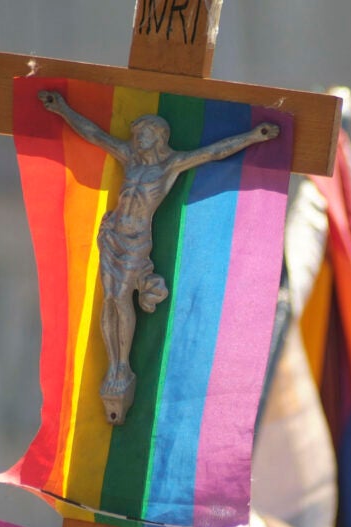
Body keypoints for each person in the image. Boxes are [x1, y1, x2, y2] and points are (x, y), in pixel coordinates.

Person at [39, 90, 280, 425]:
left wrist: (254, 136)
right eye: (137, 135)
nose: (138, 139)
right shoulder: (129, 157)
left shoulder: (170, 165)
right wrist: (63, 109)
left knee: (121, 298)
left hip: (137, 241)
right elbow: (94, 133)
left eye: (145, 135)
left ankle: (121, 368)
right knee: (109, 298)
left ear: (159, 137)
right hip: (113, 236)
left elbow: (213, 152)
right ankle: (114, 366)